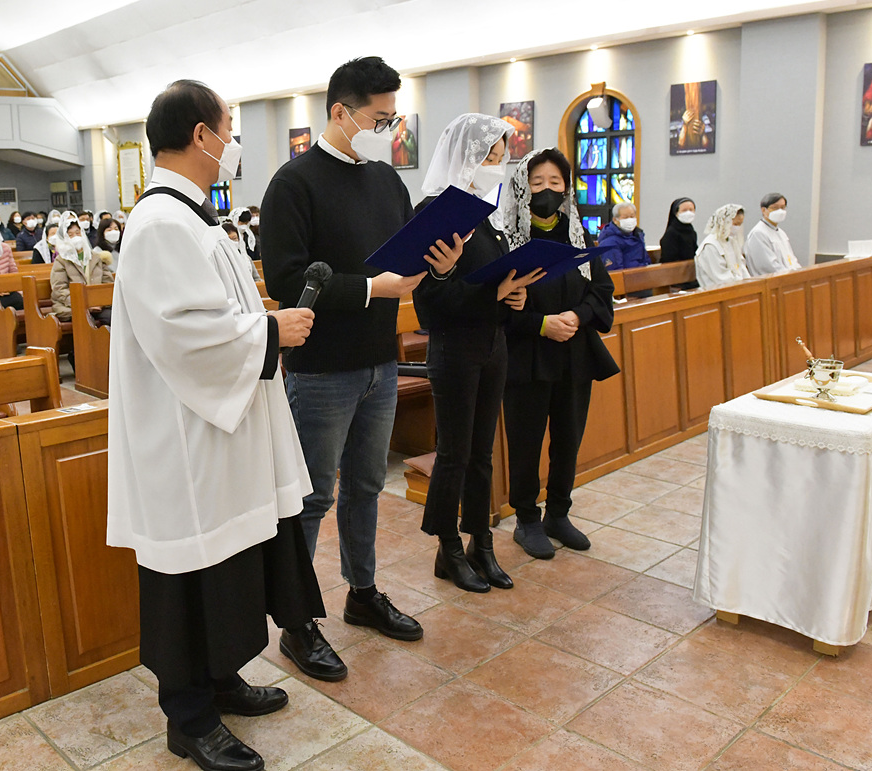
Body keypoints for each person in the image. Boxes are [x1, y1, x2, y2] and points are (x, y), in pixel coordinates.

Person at [108, 80, 323, 771]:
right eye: (228, 128)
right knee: (192, 575)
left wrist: (260, 326)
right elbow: (184, 333)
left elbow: (216, 316)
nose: (232, 142)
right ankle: (190, 717)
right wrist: (271, 330)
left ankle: (221, 678)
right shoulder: (160, 224)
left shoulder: (195, 218)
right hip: (185, 440)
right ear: (200, 135)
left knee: (229, 568)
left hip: (219, 431)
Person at [263, 56, 464, 677]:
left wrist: (442, 263)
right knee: (313, 496)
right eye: (380, 118)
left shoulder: (385, 181)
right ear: (340, 112)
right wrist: (374, 289)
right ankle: (297, 622)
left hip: (381, 361)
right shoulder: (293, 183)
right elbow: (287, 280)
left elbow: (406, 259)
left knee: (368, 486)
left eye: (392, 118)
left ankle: (362, 591)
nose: (388, 130)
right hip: (322, 367)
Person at [413, 113, 541, 592]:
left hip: (492, 343)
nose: (497, 166)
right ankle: (447, 547)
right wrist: (493, 293)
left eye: (502, 157)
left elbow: (494, 281)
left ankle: (480, 541)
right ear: (465, 155)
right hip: (454, 348)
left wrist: (514, 296)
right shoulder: (435, 211)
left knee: (483, 453)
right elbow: (430, 303)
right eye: (490, 156)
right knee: (454, 454)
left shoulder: (486, 214)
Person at [499, 147, 619, 559]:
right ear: (522, 188)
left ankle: (558, 513)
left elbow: (601, 291)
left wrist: (575, 315)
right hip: (526, 356)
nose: (546, 190)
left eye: (555, 182)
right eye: (537, 183)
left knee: (568, 439)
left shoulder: (577, 233)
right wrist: (541, 323)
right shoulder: (508, 239)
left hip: (574, 353)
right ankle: (527, 519)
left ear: (566, 188)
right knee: (526, 442)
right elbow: (498, 307)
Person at [744, 193, 801, 276]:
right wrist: (789, 275)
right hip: (771, 280)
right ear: (764, 210)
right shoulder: (758, 233)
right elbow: (768, 266)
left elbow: (791, 259)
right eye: (775, 208)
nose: (780, 211)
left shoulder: (781, 233)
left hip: (788, 277)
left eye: (782, 207)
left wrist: (799, 272)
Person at [694, 204, 748, 289]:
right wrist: (741, 283)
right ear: (724, 222)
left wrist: (749, 282)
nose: (737, 228)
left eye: (740, 224)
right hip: (717, 290)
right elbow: (721, 278)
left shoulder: (731, 241)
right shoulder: (710, 245)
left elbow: (741, 266)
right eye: (735, 224)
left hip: (736, 286)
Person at [595, 202, 649, 271]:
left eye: (632, 216)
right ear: (615, 220)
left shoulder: (637, 235)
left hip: (641, 273)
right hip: (629, 275)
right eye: (625, 217)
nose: (629, 220)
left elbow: (646, 260)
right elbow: (615, 271)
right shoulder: (609, 242)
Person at [659, 198, 699, 265]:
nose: (688, 213)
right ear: (676, 213)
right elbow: (669, 259)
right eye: (684, 210)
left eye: (691, 210)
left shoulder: (691, 231)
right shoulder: (671, 233)